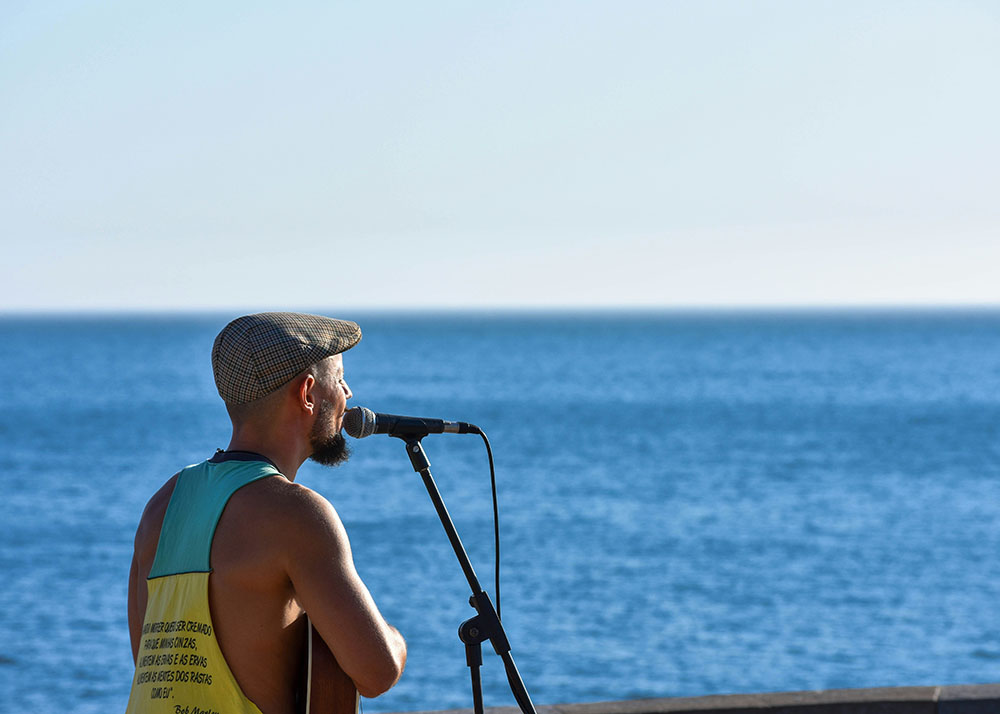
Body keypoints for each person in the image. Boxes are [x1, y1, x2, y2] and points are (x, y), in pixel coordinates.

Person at [125, 312, 407, 714]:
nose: (348, 392)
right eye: (340, 377)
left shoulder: (161, 505)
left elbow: (150, 667)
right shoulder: (297, 514)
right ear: (308, 392)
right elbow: (377, 671)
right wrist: (395, 639)